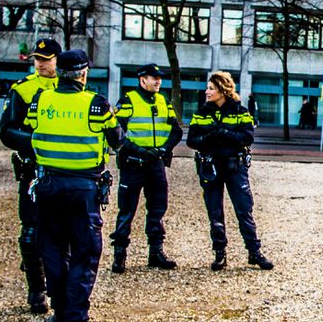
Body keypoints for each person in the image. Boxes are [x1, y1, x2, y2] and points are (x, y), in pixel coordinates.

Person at [16, 48, 122, 322]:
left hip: (48, 185)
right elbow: (117, 139)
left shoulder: (40, 100)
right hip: (82, 188)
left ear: (58, 72)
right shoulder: (96, 104)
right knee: (85, 251)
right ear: (83, 73)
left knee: (53, 250)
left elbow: (29, 131)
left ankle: (61, 313)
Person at [187, 71, 273, 271]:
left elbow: (247, 137)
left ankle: (254, 252)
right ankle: (220, 253)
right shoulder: (201, 113)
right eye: (207, 88)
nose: (207, 92)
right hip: (211, 167)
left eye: (211, 88)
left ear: (222, 90)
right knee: (214, 211)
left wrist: (224, 133)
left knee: (244, 210)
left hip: (235, 167)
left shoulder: (240, 111)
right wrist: (209, 138)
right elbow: (192, 140)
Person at [0, 37, 59, 314]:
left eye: (46, 59)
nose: (41, 63)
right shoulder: (22, 90)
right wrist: (36, 141)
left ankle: (58, 287)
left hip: (63, 169)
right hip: (33, 168)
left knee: (61, 231)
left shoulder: (70, 87)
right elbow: (7, 131)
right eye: (38, 58)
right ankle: (36, 288)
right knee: (31, 230)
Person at [111, 63, 182, 273]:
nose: (158, 81)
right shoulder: (128, 100)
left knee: (158, 209)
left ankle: (156, 252)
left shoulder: (162, 100)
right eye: (154, 78)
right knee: (126, 210)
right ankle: (119, 255)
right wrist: (141, 151)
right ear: (142, 80)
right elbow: (117, 135)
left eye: (160, 78)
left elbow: (176, 131)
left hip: (155, 165)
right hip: (133, 165)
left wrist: (162, 149)